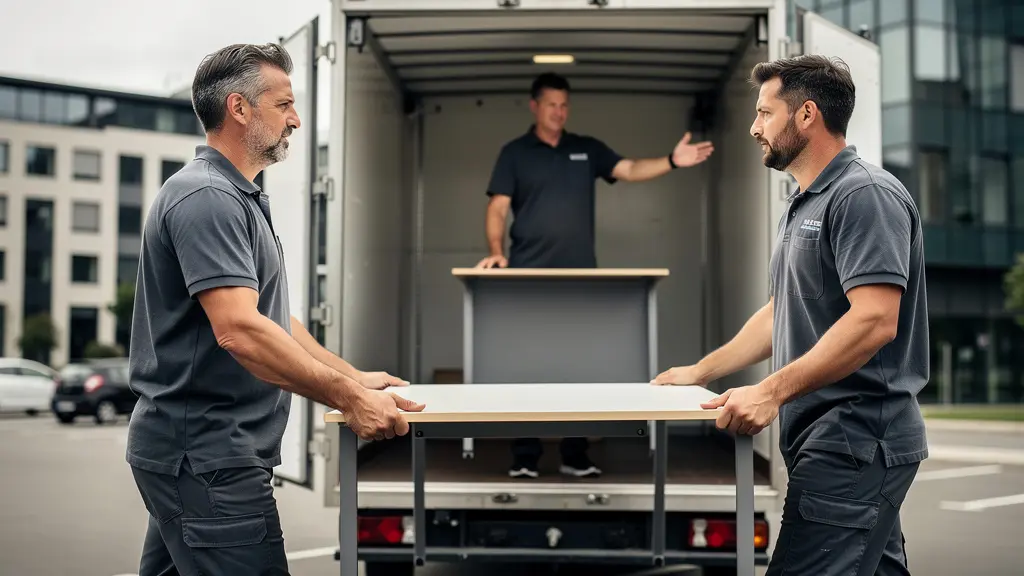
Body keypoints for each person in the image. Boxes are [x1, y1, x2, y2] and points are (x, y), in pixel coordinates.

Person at [124, 43, 424, 576]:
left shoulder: (236, 196)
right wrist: (349, 400)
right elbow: (239, 330)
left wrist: (352, 375)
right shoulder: (207, 198)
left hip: (198, 457)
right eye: (284, 104)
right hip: (208, 460)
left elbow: (269, 318)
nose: (296, 119)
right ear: (239, 108)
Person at [653, 55, 928, 575]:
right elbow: (781, 309)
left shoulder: (864, 194)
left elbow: (874, 319)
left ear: (806, 115)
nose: (755, 127)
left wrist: (771, 390)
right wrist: (700, 371)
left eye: (764, 113)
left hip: (856, 435)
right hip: (831, 436)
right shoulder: (806, 201)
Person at [478, 72, 714, 479]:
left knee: (577, 368)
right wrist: (497, 254)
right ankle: (524, 457)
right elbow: (498, 207)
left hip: (578, 282)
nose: (559, 111)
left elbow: (630, 168)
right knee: (525, 368)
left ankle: (575, 455)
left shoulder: (584, 149)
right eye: (551, 104)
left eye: (564, 104)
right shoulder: (515, 153)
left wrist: (674, 161)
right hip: (527, 280)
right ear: (535, 106)